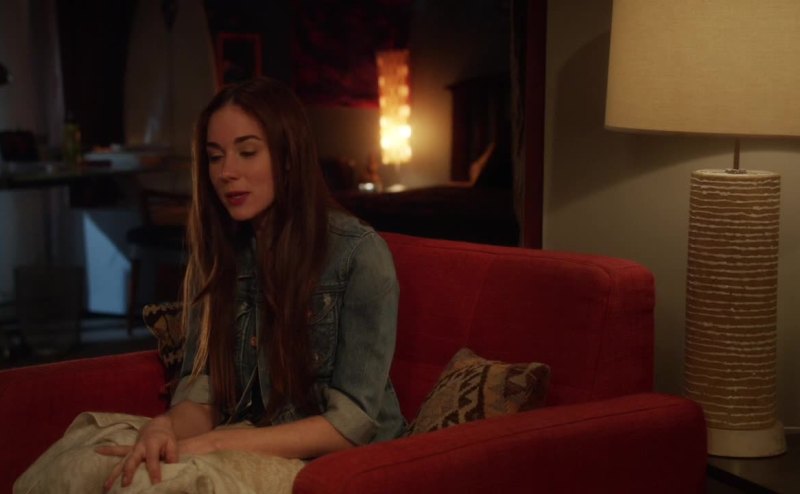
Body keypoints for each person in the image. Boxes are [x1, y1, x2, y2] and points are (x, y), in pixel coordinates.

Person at [15, 76, 405, 493]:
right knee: (82, 459)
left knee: (151, 484)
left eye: (247, 152)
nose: (226, 172)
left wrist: (213, 444)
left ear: (289, 157)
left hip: (332, 461)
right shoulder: (220, 257)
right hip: (242, 437)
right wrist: (163, 429)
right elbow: (203, 397)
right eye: (215, 157)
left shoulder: (358, 255)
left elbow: (351, 424)